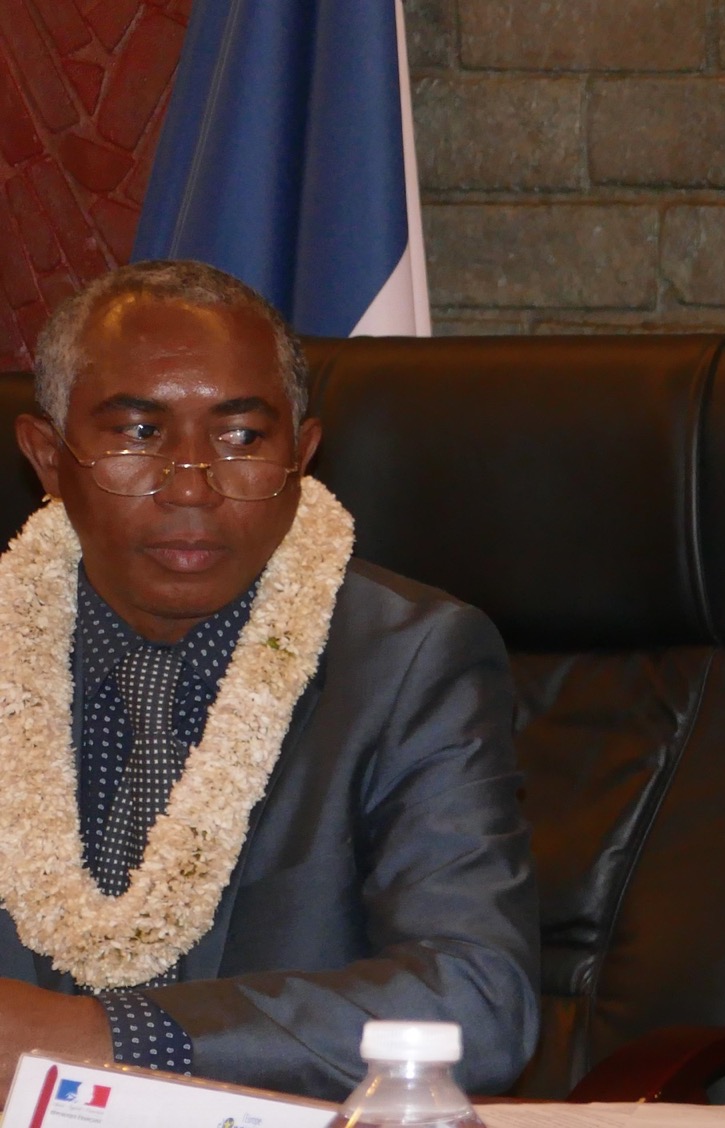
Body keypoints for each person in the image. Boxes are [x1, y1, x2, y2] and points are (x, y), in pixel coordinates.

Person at [0, 260, 539, 1101]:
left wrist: (109, 1038)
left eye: (243, 439)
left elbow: (477, 1001)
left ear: (302, 456)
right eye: (138, 433)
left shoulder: (410, 663)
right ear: (47, 456)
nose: (192, 485)